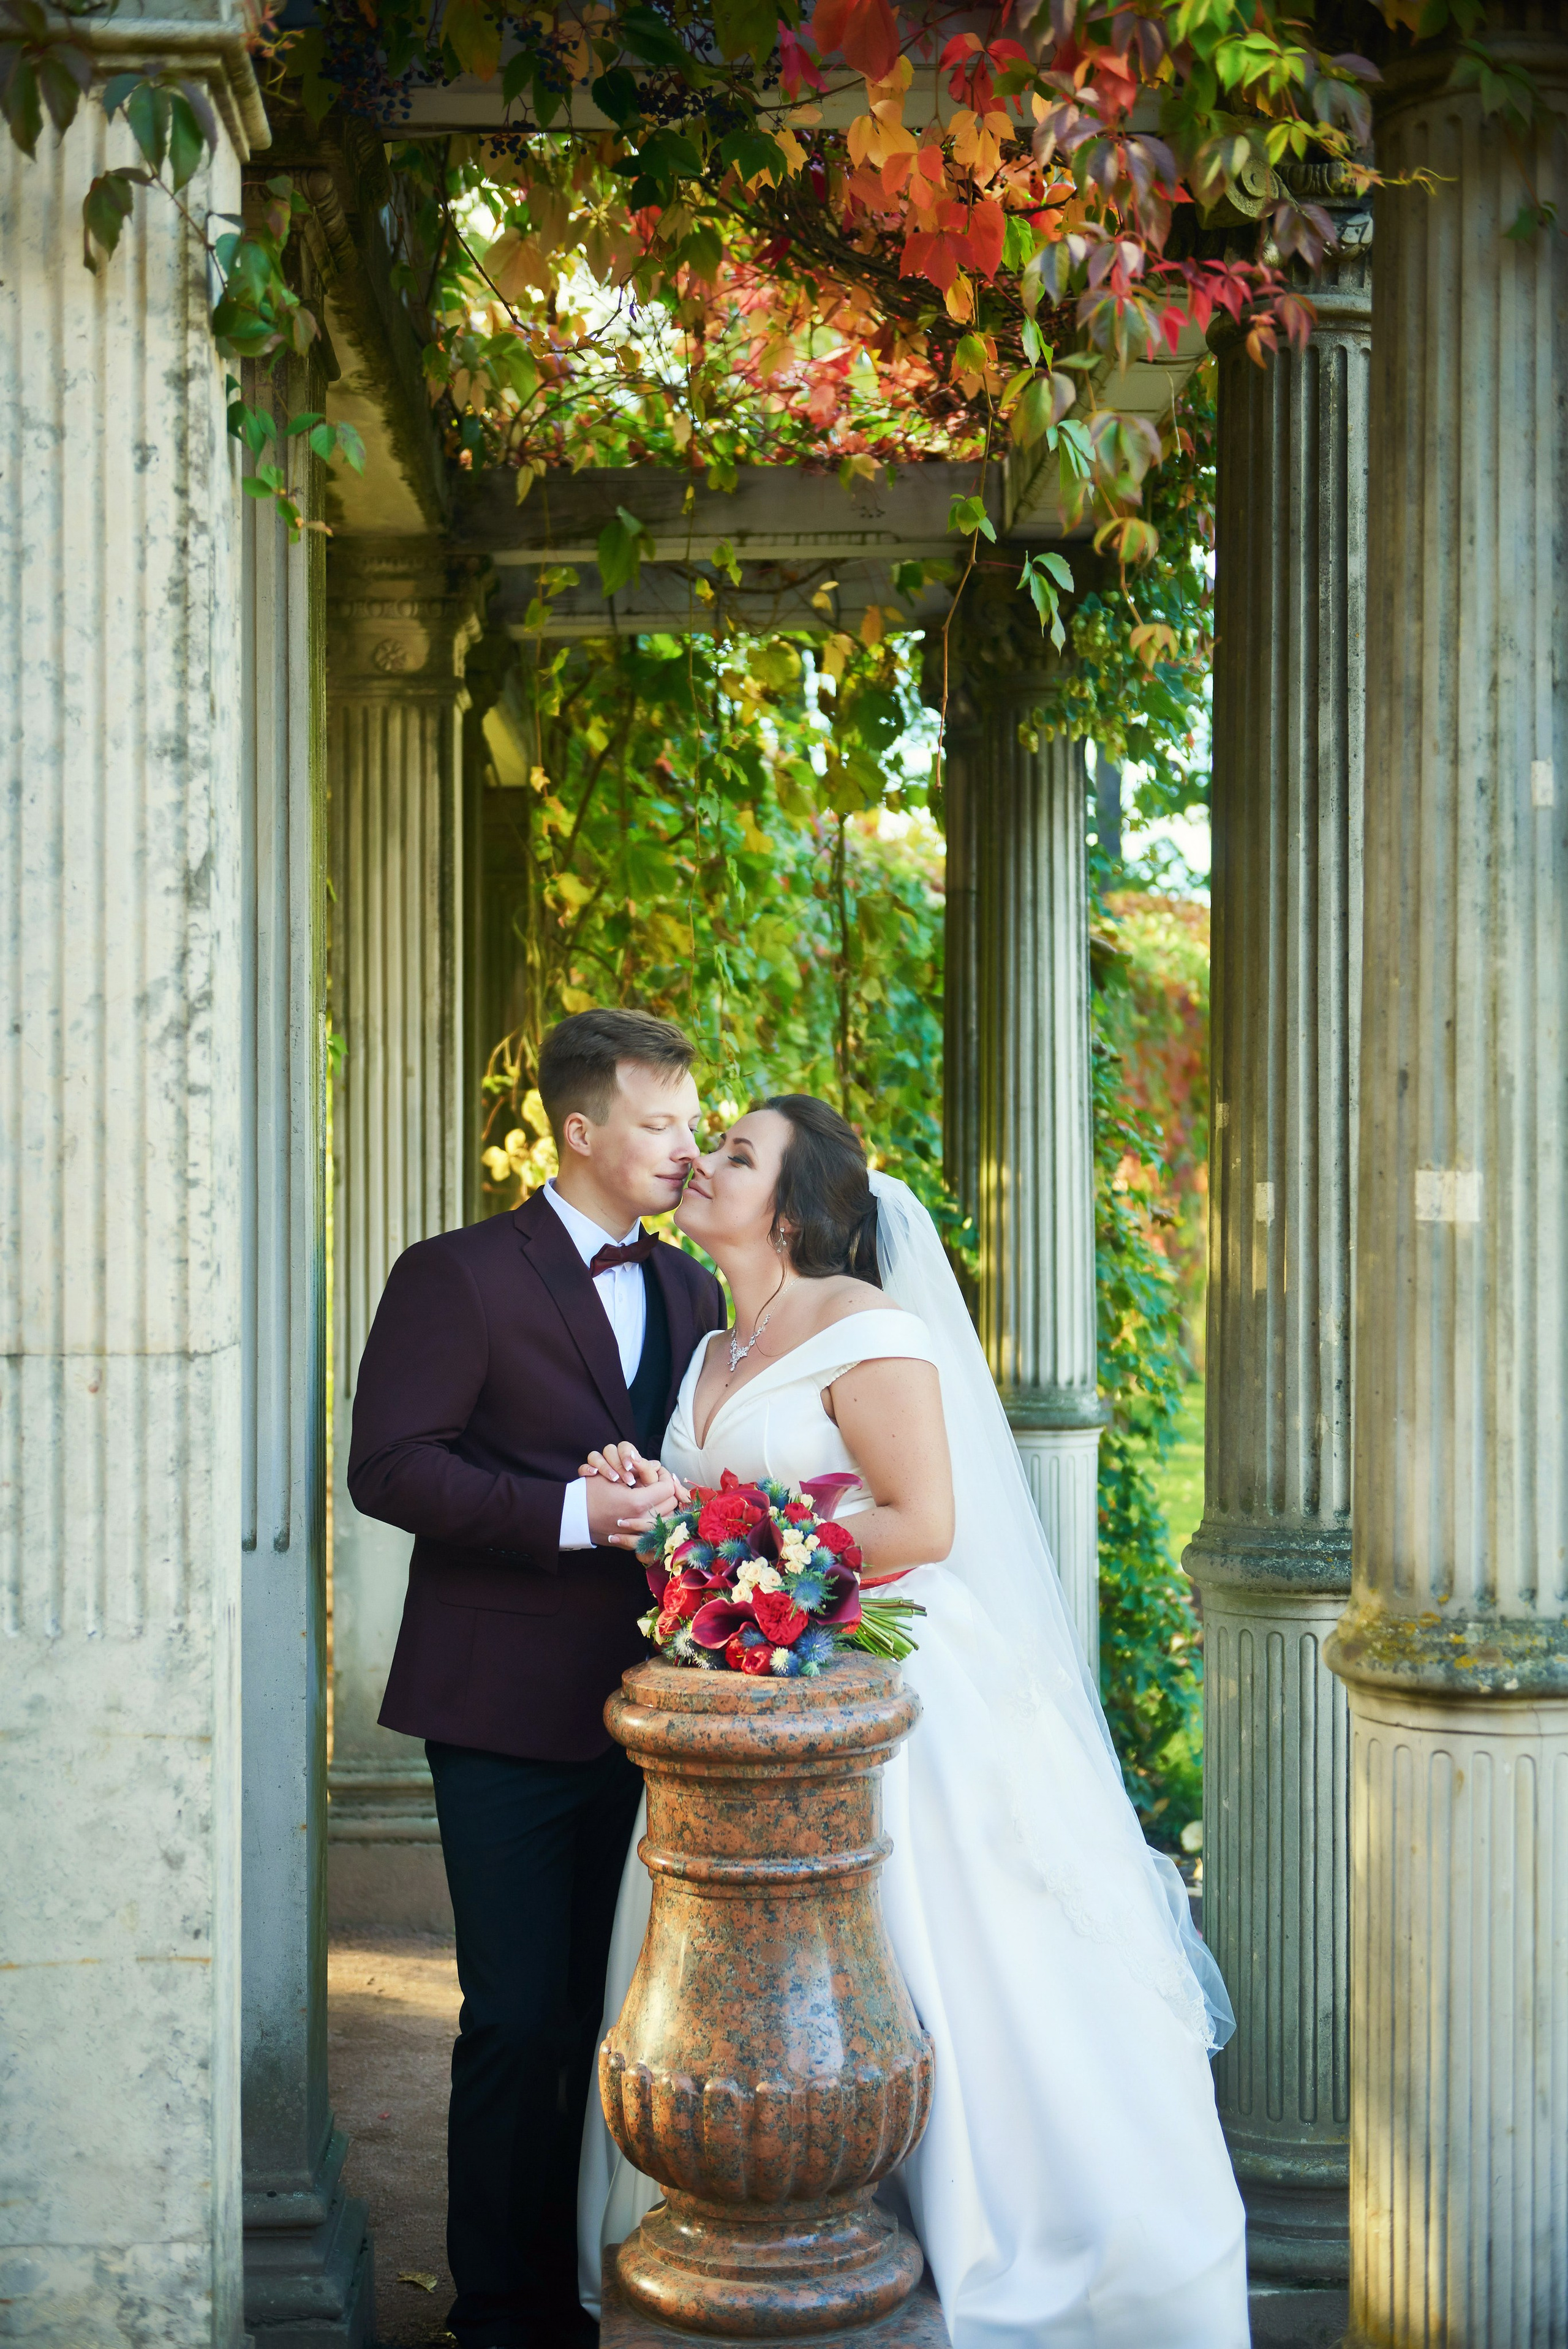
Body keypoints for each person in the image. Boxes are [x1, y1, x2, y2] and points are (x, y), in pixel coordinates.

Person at [575, 1094, 1250, 2349]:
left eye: (734, 1154)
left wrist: (760, 1568)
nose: (703, 1164)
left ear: (787, 1205)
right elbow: (712, 1510)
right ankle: (772, 2213)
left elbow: (918, 1521)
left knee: (951, 1962)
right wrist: (661, 1506)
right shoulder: (714, 1349)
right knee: (751, 1972)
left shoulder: (867, 1327)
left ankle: (1007, 2229)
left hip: (896, 1693)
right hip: (745, 1698)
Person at [345, 1008, 726, 2349]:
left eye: (692, 1122)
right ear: (581, 1131)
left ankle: (594, 2266)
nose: (689, 1147)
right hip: (500, 1707)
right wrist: (572, 1518)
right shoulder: (453, 1274)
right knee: (517, 2014)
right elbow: (389, 1467)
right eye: (660, 1123)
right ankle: (502, 2311)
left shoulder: (690, 1288)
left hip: (664, 1712)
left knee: (625, 2008)